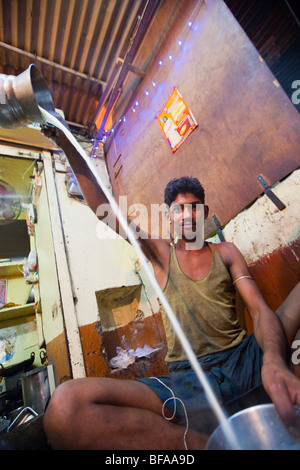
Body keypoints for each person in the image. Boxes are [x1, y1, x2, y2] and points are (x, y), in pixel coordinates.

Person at [41, 125, 300, 450]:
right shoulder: (160, 254)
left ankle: (269, 382)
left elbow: (261, 312)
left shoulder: (227, 253)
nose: (187, 215)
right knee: (67, 407)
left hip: (245, 357)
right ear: (169, 218)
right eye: (179, 209)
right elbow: (109, 214)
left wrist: (273, 361)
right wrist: (66, 142)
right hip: (190, 380)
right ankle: (211, 446)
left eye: (194, 207)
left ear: (204, 213)